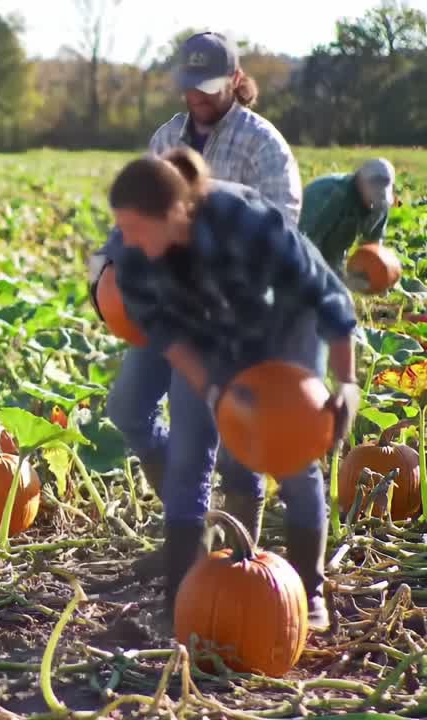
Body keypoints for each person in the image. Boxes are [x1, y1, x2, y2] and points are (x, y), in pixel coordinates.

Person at [108, 148, 360, 630]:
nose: (128, 240)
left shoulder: (246, 221)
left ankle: (309, 589)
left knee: (292, 451)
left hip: (286, 325)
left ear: (177, 212)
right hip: (210, 338)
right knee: (188, 454)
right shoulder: (133, 256)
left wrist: (345, 383)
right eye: (123, 228)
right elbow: (167, 334)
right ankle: (181, 598)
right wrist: (214, 392)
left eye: (138, 227)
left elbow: (327, 298)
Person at [89, 31, 302, 572]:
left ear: (235, 81)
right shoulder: (167, 136)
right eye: (191, 85)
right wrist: (106, 269)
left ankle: (227, 556)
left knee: (208, 431)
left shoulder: (263, 146)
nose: (198, 97)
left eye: (210, 86)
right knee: (129, 409)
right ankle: (195, 525)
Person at [300, 158, 396, 288]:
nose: (376, 199)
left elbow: (373, 247)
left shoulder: (381, 204)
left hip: (333, 243)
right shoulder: (334, 195)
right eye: (373, 190)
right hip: (303, 230)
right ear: (360, 181)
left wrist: (375, 276)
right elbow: (308, 240)